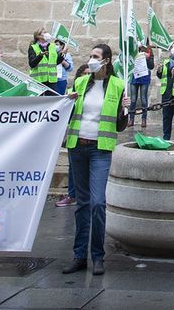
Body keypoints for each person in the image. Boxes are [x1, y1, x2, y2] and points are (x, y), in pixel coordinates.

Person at [59, 43, 130, 277]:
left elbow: (120, 126)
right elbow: (70, 116)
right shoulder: (81, 82)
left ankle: (98, 256)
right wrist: (67, 101)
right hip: (77, 146)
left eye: (96, 56)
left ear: (107, 61)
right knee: (82, 203)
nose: (91, 59)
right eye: (90, 55)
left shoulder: (118, 85)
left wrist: (125, 110)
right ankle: (79, 255)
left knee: (98, 203)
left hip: (100, 149)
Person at [29, 29, 62, 95]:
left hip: (51, 80)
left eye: (47, 32)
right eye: (44, 32)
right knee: (38, 102)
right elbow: (32, 64)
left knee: (51, 101)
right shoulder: (33, 47)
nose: (47, 34)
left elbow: (55, 63)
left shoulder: (52, 46)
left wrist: (62, 55)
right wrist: (40, 55)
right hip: (38, 80)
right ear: (38, 36)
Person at [130, 45, 153, 128]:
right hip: (134, 77)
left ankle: (144, 119)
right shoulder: (133, 50)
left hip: (144, 78)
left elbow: (151, 66)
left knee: (143, 99)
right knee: (133, 99)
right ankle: (131, 119)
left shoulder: (148, 51)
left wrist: (148, 58)